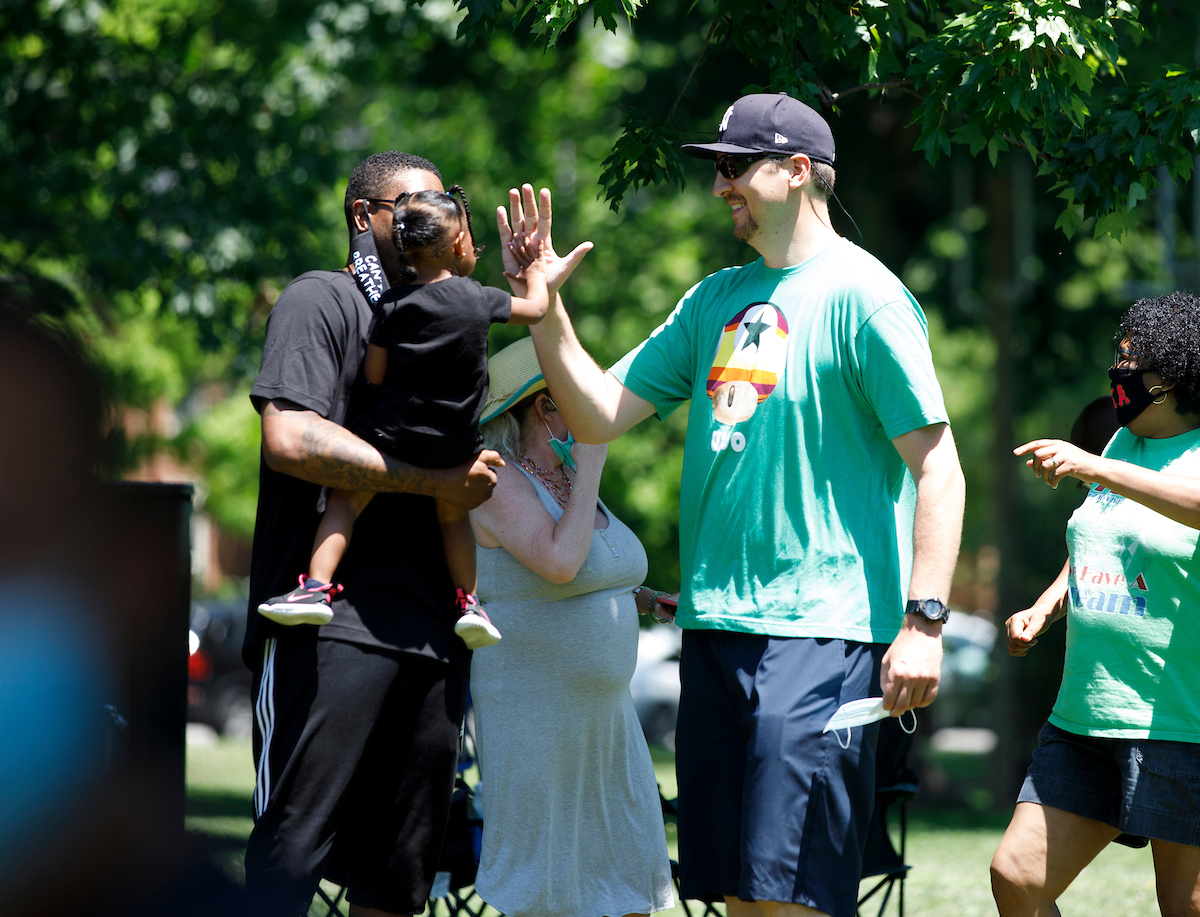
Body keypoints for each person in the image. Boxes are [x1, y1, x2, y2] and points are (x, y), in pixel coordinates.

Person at [502, 91, 965, 917]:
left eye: (733, 168)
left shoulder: (868, 297)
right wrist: (548, 314)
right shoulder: (715, 298)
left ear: (796, 171)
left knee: (796, 899)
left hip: (824, 633)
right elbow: (595, 412)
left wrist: (925, 622)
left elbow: (940, 468)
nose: (720, 187)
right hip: (716, 630)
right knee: (738, 897)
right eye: (716, 171)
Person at [242, 151, 503, 917]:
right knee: (287, 861)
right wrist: (431, 482)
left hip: (430, 632)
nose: (438, 213)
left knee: (398, 880)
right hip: (327, 627)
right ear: (366, 217)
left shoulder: (447, 315)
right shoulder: (320, 300)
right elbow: (288, 437)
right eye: (417, 201)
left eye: (446, 200)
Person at [256, 185, 553, 650]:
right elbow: (537, 309)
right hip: (457, 443)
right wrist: (535, 273)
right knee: (454, 519)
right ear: (459, 245)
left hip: (393, 435)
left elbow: (374, 374)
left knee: (343, 503)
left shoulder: (390, 306)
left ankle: (315, 588)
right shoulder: (478, 298)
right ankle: (470, 604)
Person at [991, 291, 1200, 917]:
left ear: (1175, 381)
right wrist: (1046, 606)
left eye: (1134, 370)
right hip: (1085, 714)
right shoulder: (1121, 445)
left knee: (1185, 905)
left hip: (1177, 723)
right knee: (1018, 880)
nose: (1119, 378)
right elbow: (1096, 540)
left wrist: (1091, 466)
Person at [466, 336, 676, 917]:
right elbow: (558, 564)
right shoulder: (497, 479)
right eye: (577, 393)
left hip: (607, 721)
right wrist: (593, 459)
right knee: (549, 888)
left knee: (625, 877)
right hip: (536, 716)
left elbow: (587, 571)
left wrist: (647, 599)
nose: (597, 404)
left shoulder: (567, 477)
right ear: (543, 405)